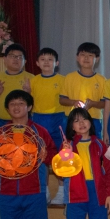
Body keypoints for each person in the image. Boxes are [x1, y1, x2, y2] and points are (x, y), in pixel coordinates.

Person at [0, 90, 58, 219]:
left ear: (29, 107)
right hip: (7, 191)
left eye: (21, 103)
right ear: (7, 109)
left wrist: (48, 155)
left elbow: (53, 156)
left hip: (34, 190)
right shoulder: (0, 133)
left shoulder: (40, 131)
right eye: (12, 104)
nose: (16, 107)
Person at [63, 108, 110, 219]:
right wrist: (66, 154)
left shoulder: (99, 144)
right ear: (71, 126)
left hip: (97, 194)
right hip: (75, 194)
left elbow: (109, 171)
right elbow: (62, 171)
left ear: (91, 121)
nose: (81, 123)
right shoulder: (67, 145)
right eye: (76, 121)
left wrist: (109, 194)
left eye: (84, 119)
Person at [29, 47, 67, 205]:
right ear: (37, 63)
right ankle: (43, 191)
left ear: (56, 63)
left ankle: (62, 191)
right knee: (41, 156)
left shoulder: (63, 80)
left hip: (59, 119)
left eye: (50, 59)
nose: (46, 62)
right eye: (43, 59)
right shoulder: (33, 81)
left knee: (61, 155)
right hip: (39, 119)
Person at [59, 42, 106, 136]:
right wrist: (74, 102)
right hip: (72, 119)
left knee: (94, 143)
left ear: (97, 59)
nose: (86, 58)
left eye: (90, 55)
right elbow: (62, 100)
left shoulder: (102, 80)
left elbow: (104, 103)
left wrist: (93, 103)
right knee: (71, 143)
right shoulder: (69, 77)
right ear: (77, 57)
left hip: (94, 118)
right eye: (83, 55)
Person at [0, 43, 34, 129]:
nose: (16, 59)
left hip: (24, 121)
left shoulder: (31, 78)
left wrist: (29, 94)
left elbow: (37, 102)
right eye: (12, 56)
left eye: (19, 57)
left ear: (25, 61)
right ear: (5, 59)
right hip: (1, 121)